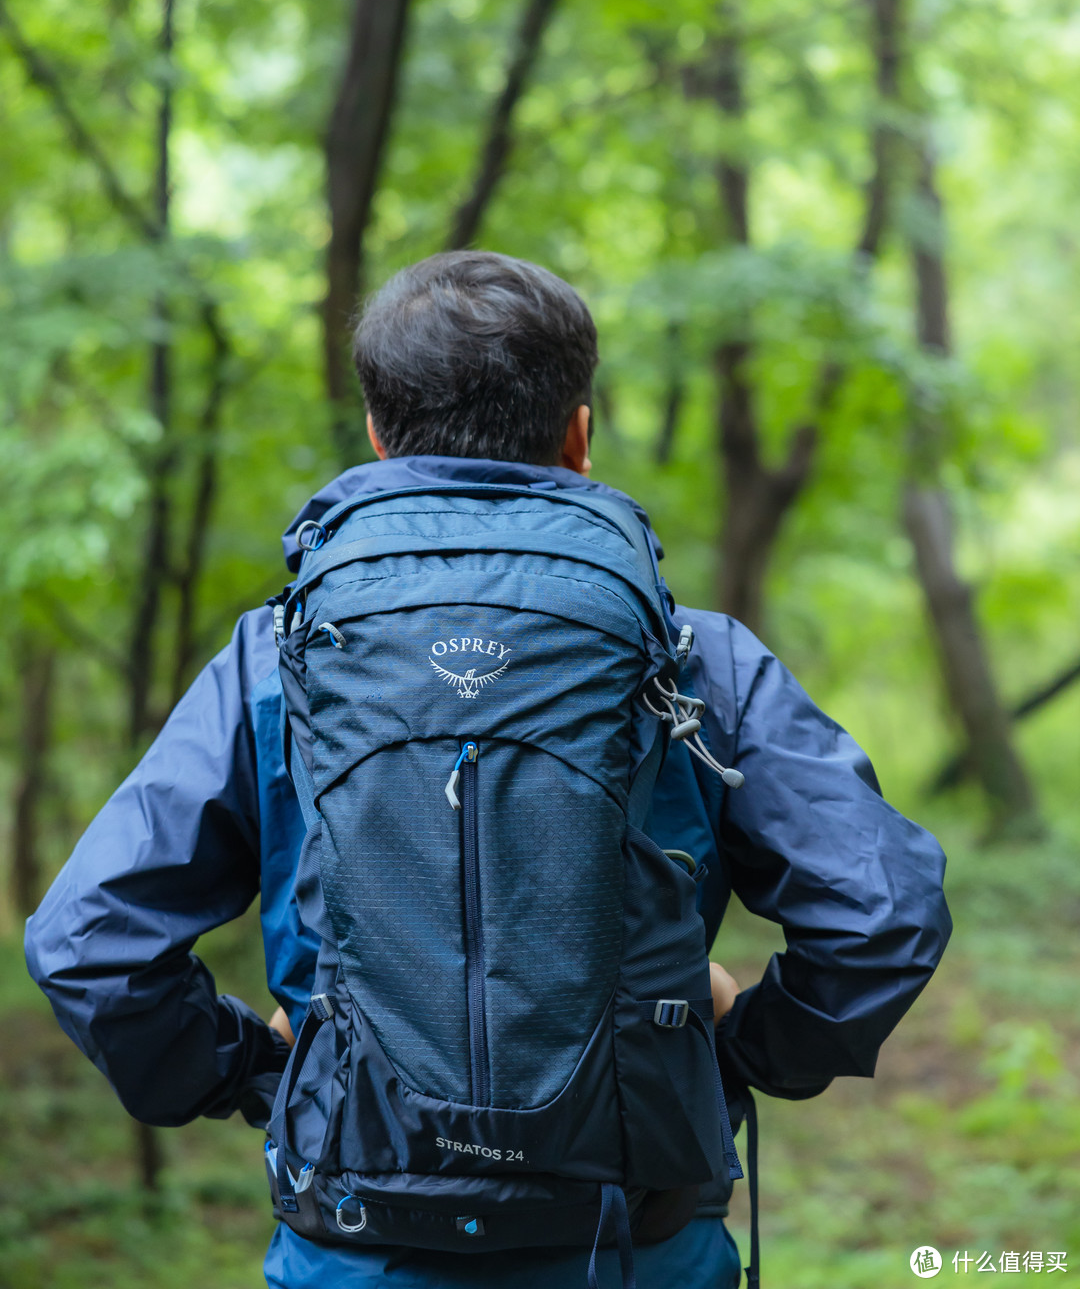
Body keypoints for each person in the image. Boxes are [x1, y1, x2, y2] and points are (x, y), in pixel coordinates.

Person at [25, 251, 951, 1289]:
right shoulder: (696, 657)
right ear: (581, 434)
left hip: (356, 1247)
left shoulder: (276, 658)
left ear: (378, 437)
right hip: (634, 1246)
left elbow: (90, 945)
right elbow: (884, 914)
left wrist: (266, 1073)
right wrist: (735, 1055)